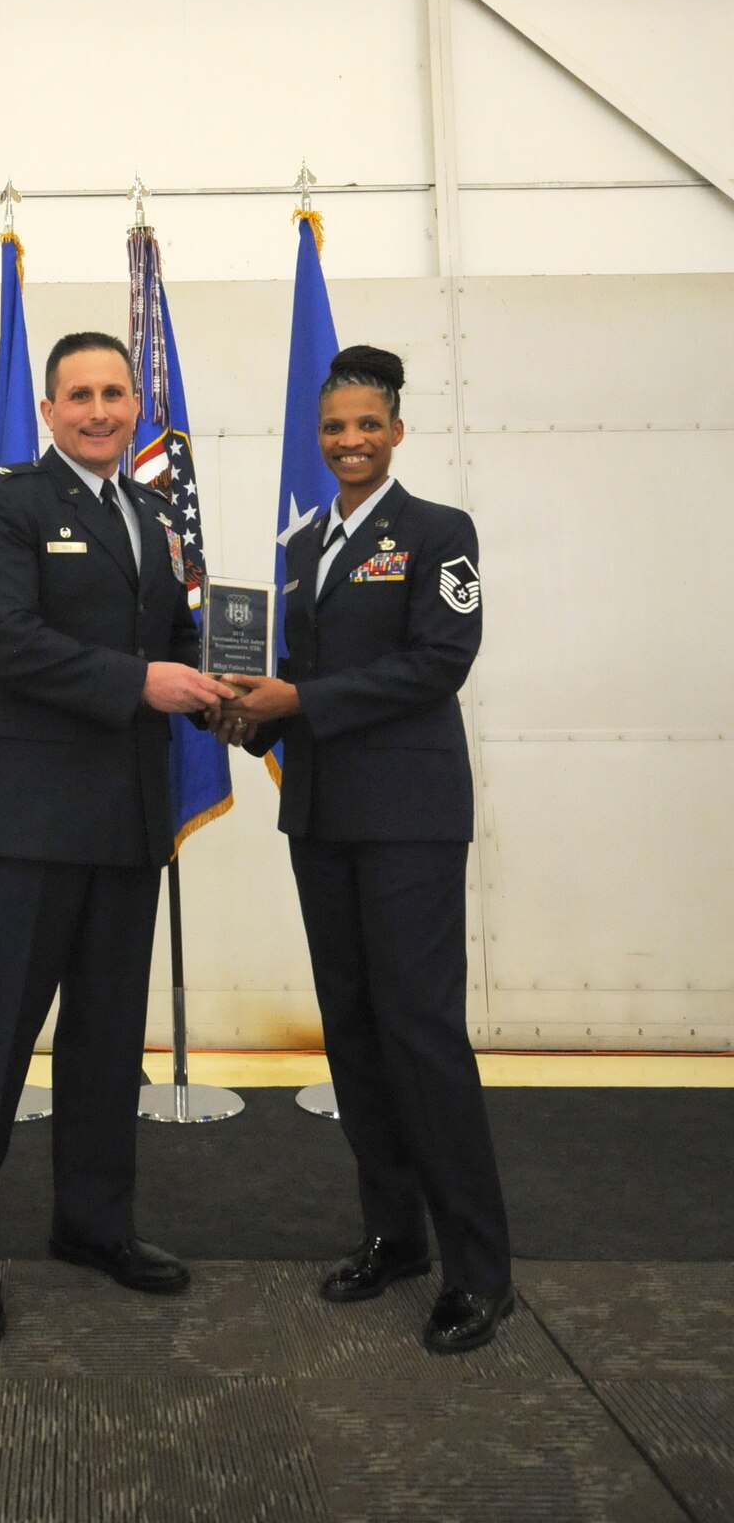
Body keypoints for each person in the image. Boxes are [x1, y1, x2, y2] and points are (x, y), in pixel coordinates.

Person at [0, 332, 233, 1341]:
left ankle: (93, 1223)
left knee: (106, 1045)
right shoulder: (5, 503)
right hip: (31, 824)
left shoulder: (149, 510)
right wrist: (140, 682)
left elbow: (177, 639)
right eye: (81, 395)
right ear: (51, 409)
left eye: (115, 393)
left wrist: (227, 690)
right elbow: (3, 640)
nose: (101, 410)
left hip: (127, 820)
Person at [213, 345, 513, 1354]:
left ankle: (480, 1271)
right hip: (324, 817)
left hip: (410, 818)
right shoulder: (301, 547)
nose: (348, 440)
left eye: (364, 424)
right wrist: (246, 715)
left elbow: (439, 662)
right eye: (332, 427)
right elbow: (292, 675)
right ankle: (394, 1232)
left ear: (395, 429)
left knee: (419, 1034)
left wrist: (300, 700)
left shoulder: (437, 532)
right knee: (352, 1033)